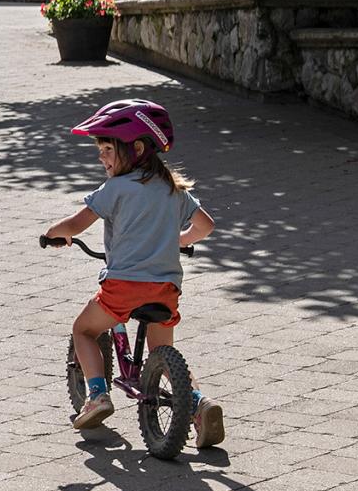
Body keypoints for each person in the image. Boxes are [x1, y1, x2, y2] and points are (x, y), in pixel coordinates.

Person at [42, 99, 223, 445]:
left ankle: (96, 394)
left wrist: (53, 233)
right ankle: (199, 404)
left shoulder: (116, 189)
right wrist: (178, 241)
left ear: (136, 148)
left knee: (84, 330)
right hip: (166, 289)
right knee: (165, 358)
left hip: (123, 286)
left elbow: (77, 225)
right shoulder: (174, 190)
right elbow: (206, 226)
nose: (101, 157)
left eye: (108, 148)